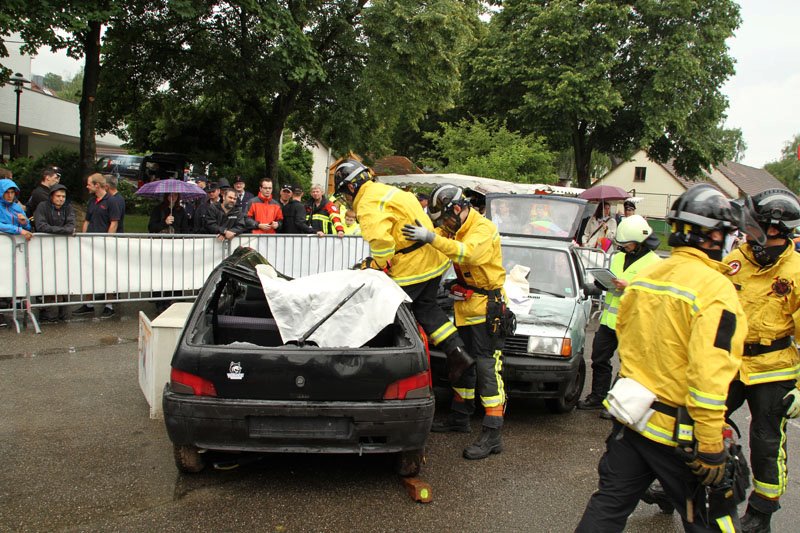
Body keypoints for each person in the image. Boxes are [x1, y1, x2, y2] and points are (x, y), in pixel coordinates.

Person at [575, 183, 761, 532]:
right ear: (713, 237)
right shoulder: (716, 290)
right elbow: (709, 377)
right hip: (679, 435)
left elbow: (627, 342)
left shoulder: (647, 278)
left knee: (608, 507)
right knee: (713, 521)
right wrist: (710, 445)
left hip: (633, 423)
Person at [333, 159, 474, 389]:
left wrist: (376, 264)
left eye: (345, 193)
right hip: (431, 261)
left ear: (351, 187)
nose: (346, 199)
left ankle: (378, 366)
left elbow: (381, 241)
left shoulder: (367, 203)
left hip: (412, 269)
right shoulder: (388, 191)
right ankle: (457, 353)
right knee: (426, 308)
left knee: (384, 315)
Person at [402, 184, 509, 460]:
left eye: (446, 220)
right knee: (462, 362)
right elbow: (436, 242)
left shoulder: (483, 229)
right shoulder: (454, 228)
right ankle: (460, 417)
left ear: (458, 209)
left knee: (487, 369)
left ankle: (493, 433)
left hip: (488, 309)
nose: (444, 227)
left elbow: (467, 253)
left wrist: (430, 237)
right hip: (466, 306)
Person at [721, 189, 800, 532]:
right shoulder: (736, 260)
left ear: (775, 229)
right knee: (698, 421)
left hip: (774, 368)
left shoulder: (796, 271)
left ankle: (760, 513)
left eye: (754, 225)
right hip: (730, 363)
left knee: (766, 443)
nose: (747, 230)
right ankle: (677, 485)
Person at [577, 215, 661, 412]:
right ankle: (598, 397)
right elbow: (610, 283)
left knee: (628, 367)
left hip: (634, 323)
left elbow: (656, 295)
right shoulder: (619, 257)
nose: (624, 247)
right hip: (609, 321)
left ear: (640, 242)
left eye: (627, 244)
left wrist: (629, 286)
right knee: (599, 359)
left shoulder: (655, 264)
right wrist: (601, 282)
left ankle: (616, 405)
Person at [33, 183, 76, 322]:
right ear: (52, 196)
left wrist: (57, 230)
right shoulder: (42, 207)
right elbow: (41, 226)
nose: (61, 199)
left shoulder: (68, 208)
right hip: (44, 250)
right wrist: (62, 231)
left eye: (63, 196)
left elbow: (71, 226)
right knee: (47, 280)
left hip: (63, 251)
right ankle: (48, 312)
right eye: (58, 196)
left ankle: (63, 312)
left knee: (63, 280)